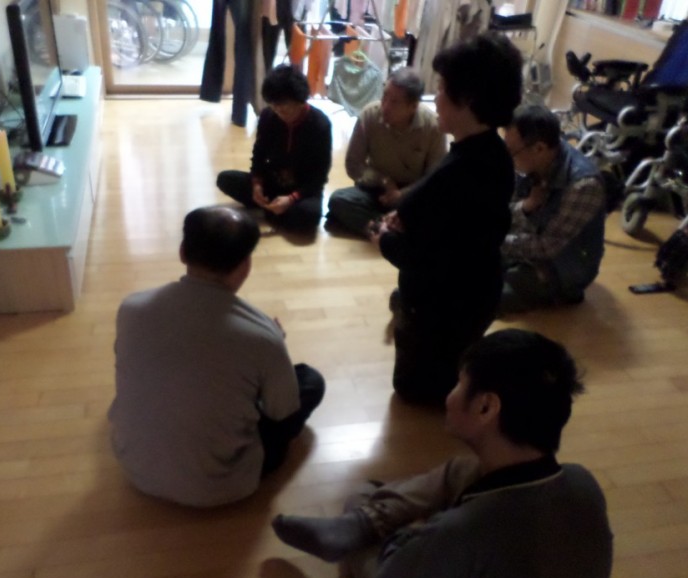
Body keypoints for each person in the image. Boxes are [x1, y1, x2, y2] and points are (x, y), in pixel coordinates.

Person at [272, 329, 614, 578]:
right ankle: (360, 523)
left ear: (485, 407)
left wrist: (412, 538)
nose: (450, 396)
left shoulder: (459, 534)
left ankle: (358, 526)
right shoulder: (583, 485)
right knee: (463, 470)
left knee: (360, 495)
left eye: (459, 383)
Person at [108, 207, 325, 507]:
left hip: (136, 470)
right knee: (310, 382)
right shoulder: (262, 335)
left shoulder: (132, 307)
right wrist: (277, 348)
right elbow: (282, 412)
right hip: (223, 484)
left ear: (182, 252)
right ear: (246, 265)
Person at [370, 33, 522, 406]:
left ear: (466, 99)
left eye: (440, 89)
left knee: (412, 390)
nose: (434, 98)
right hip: (476, 292)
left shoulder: (455, 174)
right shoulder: (496, 154)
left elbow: (423, 257)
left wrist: (383, 237)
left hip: (444, 306)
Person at [500, 104, 607, 313]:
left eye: (511, 152)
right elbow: (508, 210)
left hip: (562, 268)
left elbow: (548, 247)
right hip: (526, 245)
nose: (507, 157)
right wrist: (525, 207)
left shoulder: (584, 185)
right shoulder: (533, 161)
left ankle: (562, 294)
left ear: (539, 148)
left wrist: (493, 240)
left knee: (482, 298)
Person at [325, 67, 445, 237]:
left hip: (412, 194)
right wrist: (383, 181)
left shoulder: (432, 126)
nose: (385, 106)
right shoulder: (369, 115)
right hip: (375, 189)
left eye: (394, 102)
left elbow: (434, 178)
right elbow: (353, 165)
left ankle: (379, 227)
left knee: (441, 213)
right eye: (384, 97)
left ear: (413, 106)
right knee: (338, 200)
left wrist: (401, 194)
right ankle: (390, 228)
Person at [217, 64, 332, 234]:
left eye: (283, 104)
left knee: (309, 216)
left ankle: (271, 210)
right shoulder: (268, 116)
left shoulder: (320, 124)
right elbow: (259, 154)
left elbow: (319, 176)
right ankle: (273, 209)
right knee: (226, 179)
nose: (278, 109)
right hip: (272, 181)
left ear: (300, 100)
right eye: (273, 104)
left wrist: (292, 198)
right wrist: (257, 184)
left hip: (302, 189)